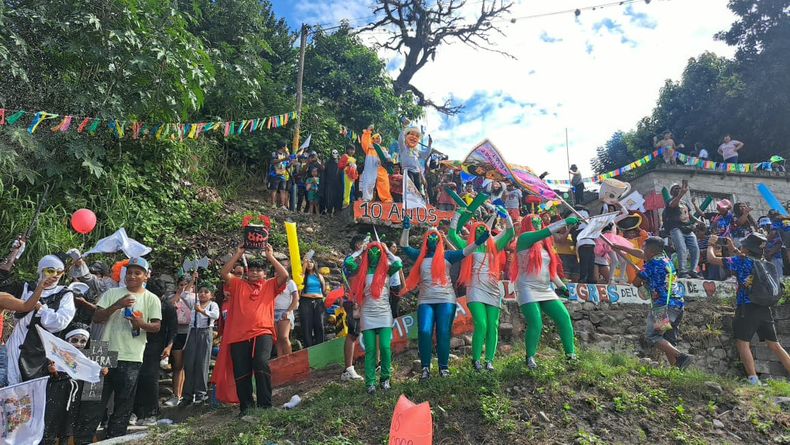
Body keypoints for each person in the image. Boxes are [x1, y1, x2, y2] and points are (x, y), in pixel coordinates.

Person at [76, 257, 161, 443]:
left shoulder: (152, 299)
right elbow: (97, 317)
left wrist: (141, 323)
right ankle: (82, 440)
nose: (131, 276)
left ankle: (114, 439)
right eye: (129, 272)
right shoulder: (112, 293)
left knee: (123, 405)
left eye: (137, 273)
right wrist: (117, 305)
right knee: (91, 403)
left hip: (131, 355)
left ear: (146, 276)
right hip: (101, 350)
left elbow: (156, 327)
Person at [400, 217, 487, 380]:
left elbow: (465, 252)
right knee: (425, 331)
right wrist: (406, 229)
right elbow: (404, 246)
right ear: (426, 240)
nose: (433, 238)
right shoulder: (420, 256)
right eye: (430, 236)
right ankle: (425, 368)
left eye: (436, 236)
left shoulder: (447, 255)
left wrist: (477, 242)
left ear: (440, 239)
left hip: (446, 299)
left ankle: (443, 368)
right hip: (425, 300)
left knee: (443, 332)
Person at [213, 244, 289, 416]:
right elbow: (224, 273)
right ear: (247, 272)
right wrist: (238, 254)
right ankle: (246, 408)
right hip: (238, 336)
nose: (255, 273)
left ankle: (265, 405)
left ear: (265, 273)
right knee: (242, 371)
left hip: (263, 332)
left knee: (261, 364)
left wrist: (270, 256)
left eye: (259, 270)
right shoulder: (238, 284)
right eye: (252, 270)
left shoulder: (270, 285)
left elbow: (284, 275)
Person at [707, 233, 790, 384]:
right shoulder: (763, 262)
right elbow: (743, 258)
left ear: (747, 248)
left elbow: (711, 259)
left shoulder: (741, 261)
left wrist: (711, 244)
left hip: (747, 307)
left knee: (742, 343)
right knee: (775, 345)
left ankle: (753, 380)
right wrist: (733, 249)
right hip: (764, 308)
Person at [448, 207, 515, 371]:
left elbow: (510, 233)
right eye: (477, 230)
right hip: (475, 288)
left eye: (483, 229)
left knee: (493, 325)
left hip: (493, 289)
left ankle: (489, 361)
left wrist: (506, 216)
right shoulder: (467, 246)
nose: (480, 232)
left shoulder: (495, 246)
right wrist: (457, 215)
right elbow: (451, 235)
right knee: (481, 324)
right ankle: (476, 360)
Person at [614, 237, 693, 369]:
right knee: (668, 340)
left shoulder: (651, 265)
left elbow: (636, 283)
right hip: (678, 305)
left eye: (645, 248)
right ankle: (677, 370)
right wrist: (621, 248)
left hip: (663, 307)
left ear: (650, 251)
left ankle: (681, 357)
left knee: (653, 336)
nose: (643, 250)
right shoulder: (665, 258)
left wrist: (640, 274)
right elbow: (640, 254)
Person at [511, 215, 579, 369]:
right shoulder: (525, 238)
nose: (537, 223)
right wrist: (564, 222)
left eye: (539, 221)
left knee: (563, 317)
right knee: (536, 322)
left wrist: (562, 286)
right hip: (526, 287)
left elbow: (551, 272)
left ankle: (571, 355)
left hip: (545, 288)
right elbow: (545, 232)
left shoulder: (545, 244)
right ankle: (530, 358)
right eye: (534, 221)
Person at [347, 242, 403, 394]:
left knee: (385, 347)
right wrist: (360, 250)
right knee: (370, 350)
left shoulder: (387, 270)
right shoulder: (361, 271)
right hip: (367, 313)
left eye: (377, 251)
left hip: (384, 313)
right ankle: (370, 383)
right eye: (371, 251)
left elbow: (398, 263)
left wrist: (387, 250)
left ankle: (385, 379)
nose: (374, 254)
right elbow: (347, 262)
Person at [133, 286, 178, 426]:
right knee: (136, 378)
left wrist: (169, 346)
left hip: (156, 345)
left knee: (150, 377)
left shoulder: (167, 308)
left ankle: (152, 412)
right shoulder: (140, 303)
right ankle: (136, 412)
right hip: (138, 343)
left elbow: (173, 330)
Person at [179, 285, 219, 407]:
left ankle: (200, 394)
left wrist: (202, 311)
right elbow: (183, 294)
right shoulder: (194, 303)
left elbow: (215, 315)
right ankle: (187, 395)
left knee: (202, 363)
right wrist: (192, 279)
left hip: (206, 332)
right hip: (193, 332)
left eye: (206, 292)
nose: (202, 294)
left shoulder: (213, 305)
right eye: (200, 291)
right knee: (189, 363)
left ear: (211, 295)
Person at [165, 274, 196, 407]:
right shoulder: (173, 298)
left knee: (190, 365)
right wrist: (180, 293)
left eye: (186, 284)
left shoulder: (195, 298)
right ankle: (176, 395)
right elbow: (169, 305)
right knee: (178, 366)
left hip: (191, 333)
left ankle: (189, 394)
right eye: (181, 284)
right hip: (177, 333)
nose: (183, 287)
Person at [340, 235, 367, 382]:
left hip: (363, 300)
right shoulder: (350, 260)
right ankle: (348, 370)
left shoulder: (362, 261)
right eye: (363, 244)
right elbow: (350, 265)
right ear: (358, 245)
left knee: (361, 332)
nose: (365, 246)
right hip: (352, 301)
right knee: (353, 333)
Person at [663, 182, 701, 278]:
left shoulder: (684, 203)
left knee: (695, 249)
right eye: (675, 188)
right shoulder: (670, 201)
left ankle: (693, 270)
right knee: (682, 248)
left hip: (688, 228)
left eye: (679, 188)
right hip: (676, 228)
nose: (678, 189)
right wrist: (681, 194)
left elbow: (689, 215)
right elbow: (672, 205)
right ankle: (682, 271)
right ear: (671, 192)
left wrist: (698, 221)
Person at [360, 127, 394, 203]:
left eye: (378, 138)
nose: (377, 139)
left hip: (381, 167)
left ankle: (386, 199)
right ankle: (366, 198)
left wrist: (389, 161)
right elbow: (365, 142)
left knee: (384, 183)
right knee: (369, 181)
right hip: (371, 167)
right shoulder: (369, 148)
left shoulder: (383, 149)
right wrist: (368, 131)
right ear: (372, 139)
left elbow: (387, 157)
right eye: (375, 138)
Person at [273, 260, 299, 357]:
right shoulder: (273, 282)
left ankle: (289, 359)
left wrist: (289, 311)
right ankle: (281, 359)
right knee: (277, 339)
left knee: (284, 337)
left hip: (285, 311)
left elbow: (296, 298)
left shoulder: (290, 282)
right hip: (273, 311)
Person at [299, 258, 326, 347]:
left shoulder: (319, 276)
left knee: (319, 324)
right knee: (307, 325)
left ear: (315, 263)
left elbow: (324, 290)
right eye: (307, 262)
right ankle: (308, 347)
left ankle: (320, 347)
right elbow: (300, 280)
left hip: (318, 301)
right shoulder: (303, 276)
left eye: (311, 262)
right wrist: (304, 265)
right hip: (306, 301)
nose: (309, 264)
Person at [320, 149, 343, 215]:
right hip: (329, 184)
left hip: (338, 184)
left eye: (336, 153)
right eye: (333, 153)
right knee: (329, 198)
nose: (335, 154)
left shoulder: (340, 163)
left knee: (337, 197)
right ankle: (329, 211)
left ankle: (336, 211)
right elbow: (323, 171)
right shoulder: (327, 163)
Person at [387, 242, 406, 319]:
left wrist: (404, 284)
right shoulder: (384, 259)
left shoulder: (397, 259)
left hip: (396, 284)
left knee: (395, 304)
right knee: (387, 304)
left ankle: (396, 320)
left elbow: (401, 272)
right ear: (388, 248)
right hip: (386, 285)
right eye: (393, 247)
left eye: (395, 247)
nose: (395, 248)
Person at [269, 144, 291, 209]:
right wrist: (282, 159)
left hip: (283, 175)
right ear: (283, 147)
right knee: (274, 189)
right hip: (274, 174)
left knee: (283, 190)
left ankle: (282, 205)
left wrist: (291, 162)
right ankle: (273, 204)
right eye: (286, 146)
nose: (286, 148)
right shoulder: (275, 153)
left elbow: (287, 165)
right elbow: (272, 161)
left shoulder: (285, 154)